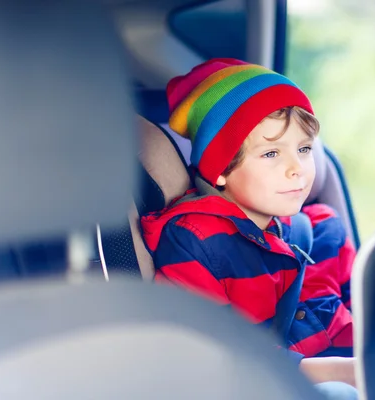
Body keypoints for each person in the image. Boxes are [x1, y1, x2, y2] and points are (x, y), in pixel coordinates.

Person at [140, 58, 356, 394]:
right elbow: (212, 357)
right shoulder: (195, 243)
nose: (296, 168)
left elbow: (368, 312)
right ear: (221, 170)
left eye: (303, 149)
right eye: (271, 154)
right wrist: (343, 373)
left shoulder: (321, 229)